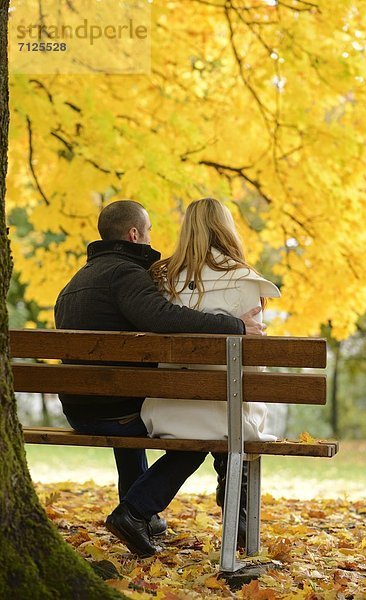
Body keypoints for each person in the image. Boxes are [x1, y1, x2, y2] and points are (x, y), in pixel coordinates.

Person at [54, 199, 264, 558]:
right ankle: (135, 511)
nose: (153, 240)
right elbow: (165, 317)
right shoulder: (125, 275)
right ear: (134, 234)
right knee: (196, 431)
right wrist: (234, 326)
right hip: (116, 407)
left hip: (80, 407)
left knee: (144, 412)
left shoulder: (76, 281)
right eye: (149, 231)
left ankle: (141, 514)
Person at [141, 197, 281, 545]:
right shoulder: (246, 280)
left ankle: (140, 508)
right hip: (225, 413)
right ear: (227, 229)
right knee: (236, 418)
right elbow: (256, 360)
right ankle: (239, 516)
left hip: (168, 412)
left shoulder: (163, 279)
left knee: (221, 414)